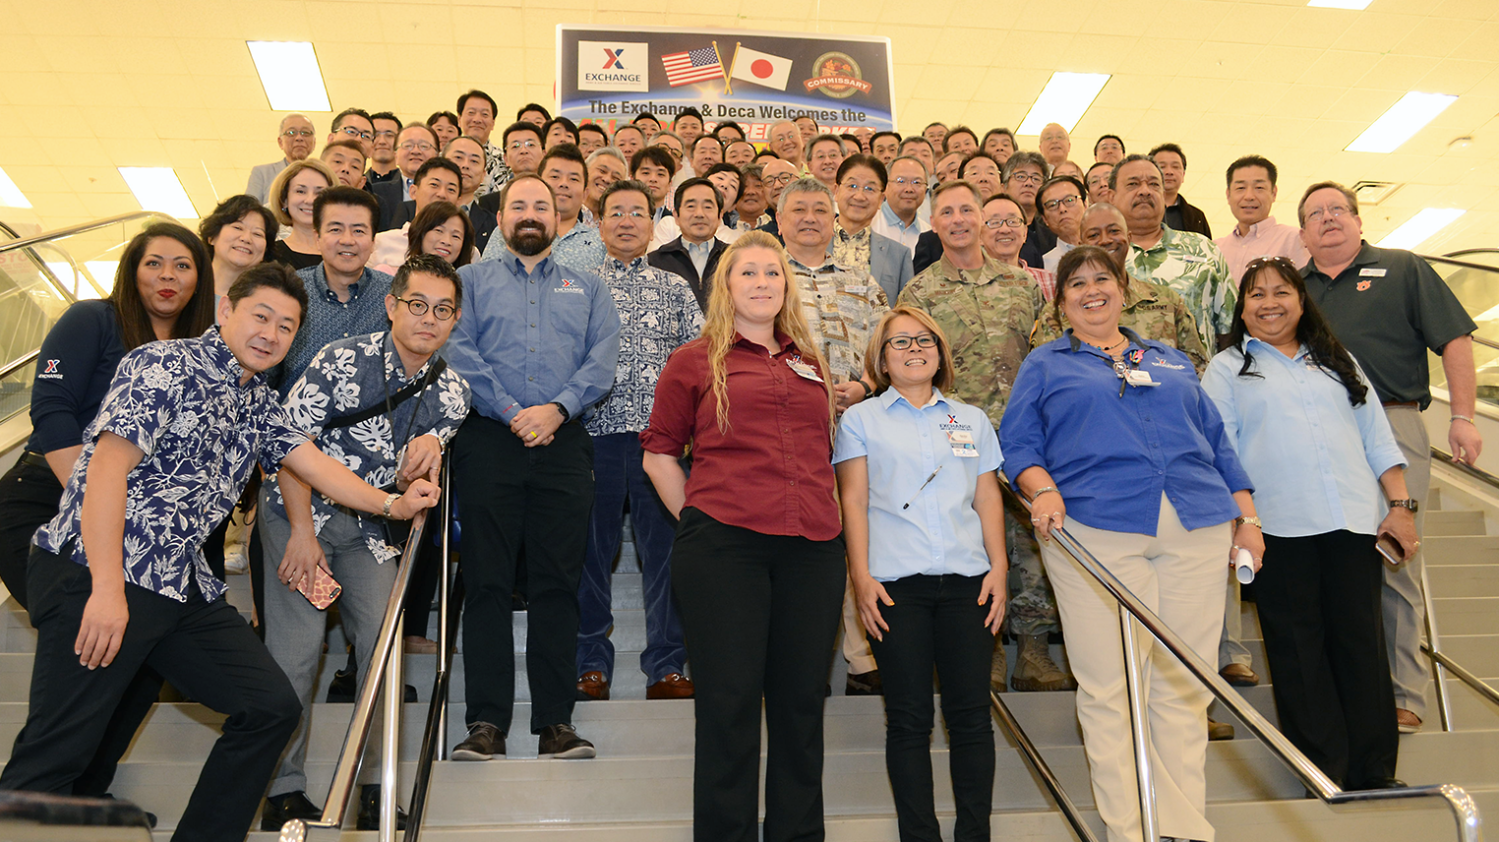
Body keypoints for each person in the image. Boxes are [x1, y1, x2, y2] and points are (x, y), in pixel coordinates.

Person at [0, 263, 440, 842]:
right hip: (101, 573)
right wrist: (106, 589)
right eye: (261, 316)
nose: (272, 333)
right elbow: (105, 471)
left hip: (180, 589)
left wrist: (391, 506)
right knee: (54, 755)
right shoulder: (163, 364)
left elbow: (310, 464)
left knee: (269, 707)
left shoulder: (257, 400)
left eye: (287, 326)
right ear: (226, 311)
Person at [1000, 245, 1260, 842]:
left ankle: (1184, 828)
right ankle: (1131, 828)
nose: (1092, 290)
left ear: (1123, 287)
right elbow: (1018, 447)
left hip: (1196, 523)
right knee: (1111, 684)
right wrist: (1041, 491)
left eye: (1103, 279)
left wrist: (1248, 520)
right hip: (1094, 527)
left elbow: (1219, 445)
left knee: (1185, 682)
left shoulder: (1169, 359)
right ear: (1060, 301)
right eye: (1077, 284)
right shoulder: (1045, 364)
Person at [0, 223, 215, 812]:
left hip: (129, 523)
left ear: (201, 278)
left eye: (183, 266)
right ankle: (32, 803)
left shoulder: (199, 351)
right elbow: (52, 411)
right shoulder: (93, 319)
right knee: (84, 652)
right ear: (132, 269)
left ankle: (82, 799)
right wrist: (95, 504)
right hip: (45, 501)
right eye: (155, 263)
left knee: (140, 660)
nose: (167, 277)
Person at [641, 231, 843, 842]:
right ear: (726, 287)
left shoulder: (810, 360)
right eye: (748, 273)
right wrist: (702, 519)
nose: (762, 283)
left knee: (801, 706)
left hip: (812, 547)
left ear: (787, 287)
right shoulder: (694, 359)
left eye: (773, 273)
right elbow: (658, 456)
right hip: (725, 548)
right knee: (728, 707)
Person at [259, 255, 471, 830]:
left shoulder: (453, 392)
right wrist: (302, 534)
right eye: (417, 305)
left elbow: (410, 478)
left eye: (443, 310)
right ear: (391, 306)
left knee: (383, 656)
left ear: (455, 320)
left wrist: (422, 465)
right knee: (297, 656)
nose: (429, 319)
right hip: (299, 512)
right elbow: (288, 447)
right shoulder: (338, 359)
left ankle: (376, 786)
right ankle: (281, 787)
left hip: (372, 530)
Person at [1202, 256, 1413, 790]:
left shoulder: (1337, 359)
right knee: (1298, 656)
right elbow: (1220, 451)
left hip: (1352, 521)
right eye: (1256, 294)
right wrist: (1244, 519)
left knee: (1361, 647)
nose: (1269, 303)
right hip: (1277, 528)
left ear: (1301, 300)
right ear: (1241, 308)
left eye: (1281, 292)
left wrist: (1401, 507)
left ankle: (1375, 772)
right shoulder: (1227, 368)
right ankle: (1324, 773)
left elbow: (1377, 437)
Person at [444, 175, 620, 762]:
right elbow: (458, 352)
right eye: (518, 204)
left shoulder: (589, 288)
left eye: (540, 205)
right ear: (500, 215)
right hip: (489, 442)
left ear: (558, 215)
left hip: (565, 443)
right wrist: (515, 411)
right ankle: (485, 724)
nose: (529, 213)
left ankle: (555, 724)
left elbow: (602, 361)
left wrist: (556, 409)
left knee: (557, 585)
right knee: (488, 583)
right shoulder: (467, 282)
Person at [1298, 180, 1482, 734]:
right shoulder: (1293, 288)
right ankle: (1346, 687)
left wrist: (1464, 416)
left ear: (1357, 220)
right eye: (1315, 214)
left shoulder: (1403, 268)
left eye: (1338, 210)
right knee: (1329, 559)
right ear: (1302, 232)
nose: (1329, 219)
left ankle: (1406, 695)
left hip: (1394, 423)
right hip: (1316, 437)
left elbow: (1454, 340)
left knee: (1395, 557)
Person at [835, 306, 1007, 842]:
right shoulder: (861, 420)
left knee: (972, 717)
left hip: (969, 585)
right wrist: (861, 578)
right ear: (881, 360)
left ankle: (974, 834)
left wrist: (1000, 568)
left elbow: (986, 498)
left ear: (940, 351)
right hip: (894, 589)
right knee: (908, 720)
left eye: (924, 339)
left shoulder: (970, 419)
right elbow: (854, 499)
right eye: (899, 342)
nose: (914, 349)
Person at [897, 182, 1073, 697]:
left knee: (1033, 542)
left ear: (983, 219)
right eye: (945, 212)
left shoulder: (1023, 286)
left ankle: (1034, 653)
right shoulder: (920, 294)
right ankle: (989, 650)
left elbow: (1046, 359)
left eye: (966, 210)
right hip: (957, 437)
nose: (957, 219)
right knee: (972, 542)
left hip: (1022, 433)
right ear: (934, 224)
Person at [575, 180, 702, 703]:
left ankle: (667, 666)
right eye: (616, 213)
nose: (626, 221)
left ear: (653, 227)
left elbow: (698, 361)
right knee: (589, 554)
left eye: (637, 213)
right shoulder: (576, 287)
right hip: (592, 439)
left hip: (661, 447)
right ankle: (589, 664)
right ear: (599, 223)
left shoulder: (674, 288)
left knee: (667, 556)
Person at [1036, 203, 1209, 373]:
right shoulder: (1057, 312)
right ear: (1081, 244)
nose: (1105, 240)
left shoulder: (1168, 301)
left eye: (1114, 231)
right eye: (1094, 235)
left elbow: (1196, 372)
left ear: (1129, 237)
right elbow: (1047, 374)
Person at [1114, 154, 1234, 350]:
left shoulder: (1204, 250)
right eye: (1133, 184)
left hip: (1197, 377)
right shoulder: (1100, 257)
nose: (1144, 191)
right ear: (1111, 196)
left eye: (1154, 184)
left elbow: (1229, 329)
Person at [1215, 155, 1309, 284]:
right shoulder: (1216, 249)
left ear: (1273, 193)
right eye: (1240, 188)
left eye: (1259, 188)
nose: (1249, 196)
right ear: (1228, 195)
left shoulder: (1293, 239)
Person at [834, 155, 915, 303]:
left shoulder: (898, 255)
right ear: (836, 191)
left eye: (869, 189)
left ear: (881, 199)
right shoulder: (808, 243)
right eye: (852, 186)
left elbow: (906, 311)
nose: (859, 196)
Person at [368, 157, 464, 271]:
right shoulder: (381, 243)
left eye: (451, 189)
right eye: (434, 185)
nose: (442, 194)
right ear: (413, 192)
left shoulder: (467, 251)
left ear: (458, 201)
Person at [648, 178, 728, 310]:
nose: (699, 214)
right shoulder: (655, 262)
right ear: (676, 216)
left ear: (720, 216)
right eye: (690, 206)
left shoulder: (735, 258)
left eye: (708, 207)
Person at [201, 195, 276, 299]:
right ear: (212, 237)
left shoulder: (268, 302)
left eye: (257, 234)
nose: (246, 238)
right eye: (237, 227)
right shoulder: (186, 288)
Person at [267, 159, 336, 270]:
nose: (310, 200)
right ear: (285, 200)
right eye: (300, 191)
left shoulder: (344, 253)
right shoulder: (268, 255)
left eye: (319, 193)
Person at [248, 115, 315, 203]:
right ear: (280, 142)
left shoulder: (323, 175)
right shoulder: (262, 173)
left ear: (314, 142)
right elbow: (250, 211)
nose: (299, 138)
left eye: (305, 133)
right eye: (291, 133)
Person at [872, 155, 931, 255]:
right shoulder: (869, 225)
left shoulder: (929, 233)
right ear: (885, 186)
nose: (909, 189)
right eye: (901, 181)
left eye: (917, 182)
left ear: (926, 189)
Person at [1151, 143, 1211, 238]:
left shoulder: (1197, 217)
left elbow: (1207, 250)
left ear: (1183, 175)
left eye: (1175, 167)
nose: (1169, 172)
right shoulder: (1135, 211)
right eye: (1162, 167)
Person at [1037, 175, 1087, 273]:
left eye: (1069, 200)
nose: (1062, 209)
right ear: (1045, 219)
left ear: (1085, 205)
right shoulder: (1043, 265)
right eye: (1052, 205)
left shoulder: (1106, 246)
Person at [404, 201, 475, 267]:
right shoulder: (401, 278)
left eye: (456, 236)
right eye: (439, 231)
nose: (446, 241)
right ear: (420, 232)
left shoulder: (469, 279)